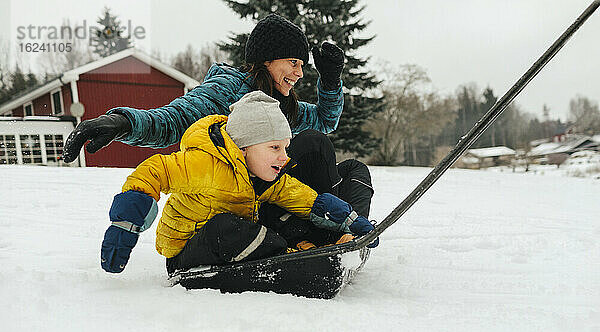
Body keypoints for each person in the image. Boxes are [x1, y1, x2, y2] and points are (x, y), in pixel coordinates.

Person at [61, 14, 374, 227]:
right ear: (267, 60)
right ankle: (315, 234)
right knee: (312, 144)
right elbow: (174, 119)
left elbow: (325, 121)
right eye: (293, 62)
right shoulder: (228, 89)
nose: (299, 73)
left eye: (303, 65)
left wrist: (331, 81)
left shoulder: (285, 105)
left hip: (276, 194)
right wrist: (122, 123)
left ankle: (346, 231)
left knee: (353, 171)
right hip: (235, 203)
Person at [100, 92, 377, 275]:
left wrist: (350, 220)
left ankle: (307, 251)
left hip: (230, 248)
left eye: (285, 147)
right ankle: (295, 260)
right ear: (244, 147)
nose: (284, 157)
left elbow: (304, 197)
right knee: (225, 227)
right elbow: (154, 170)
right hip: (186, 254)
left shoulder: (263, 175)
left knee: (261, 219)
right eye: (274, 148)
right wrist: (126, 226)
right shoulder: (205, 163)